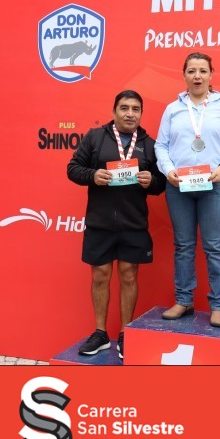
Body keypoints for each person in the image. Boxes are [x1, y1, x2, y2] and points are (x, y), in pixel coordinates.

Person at [67, 90, 165, 359]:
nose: (130, 114)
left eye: (135, 109)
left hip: (133, 222)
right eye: (124, 108)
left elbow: (161, 183)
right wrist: (92, 175)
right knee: (100, 275)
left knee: (129, 275)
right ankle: (100, 333)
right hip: (100, 222)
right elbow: (73, 168)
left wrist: (152, 181)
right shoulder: (95, 137)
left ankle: (125, 333)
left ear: (141, 114)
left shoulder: (149, 144)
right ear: (114, 112)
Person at [155, 52, 220, 327]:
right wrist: (168, 170)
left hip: (215, 185)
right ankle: (184, 300)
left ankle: (219, 305)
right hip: (178, 185)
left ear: (211, 75)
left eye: (203, 71)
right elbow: (161, 145)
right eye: (192, 71)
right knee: (183, 246)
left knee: (214, 246)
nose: (197, 76)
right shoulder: (173, 109)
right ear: (184, 75)